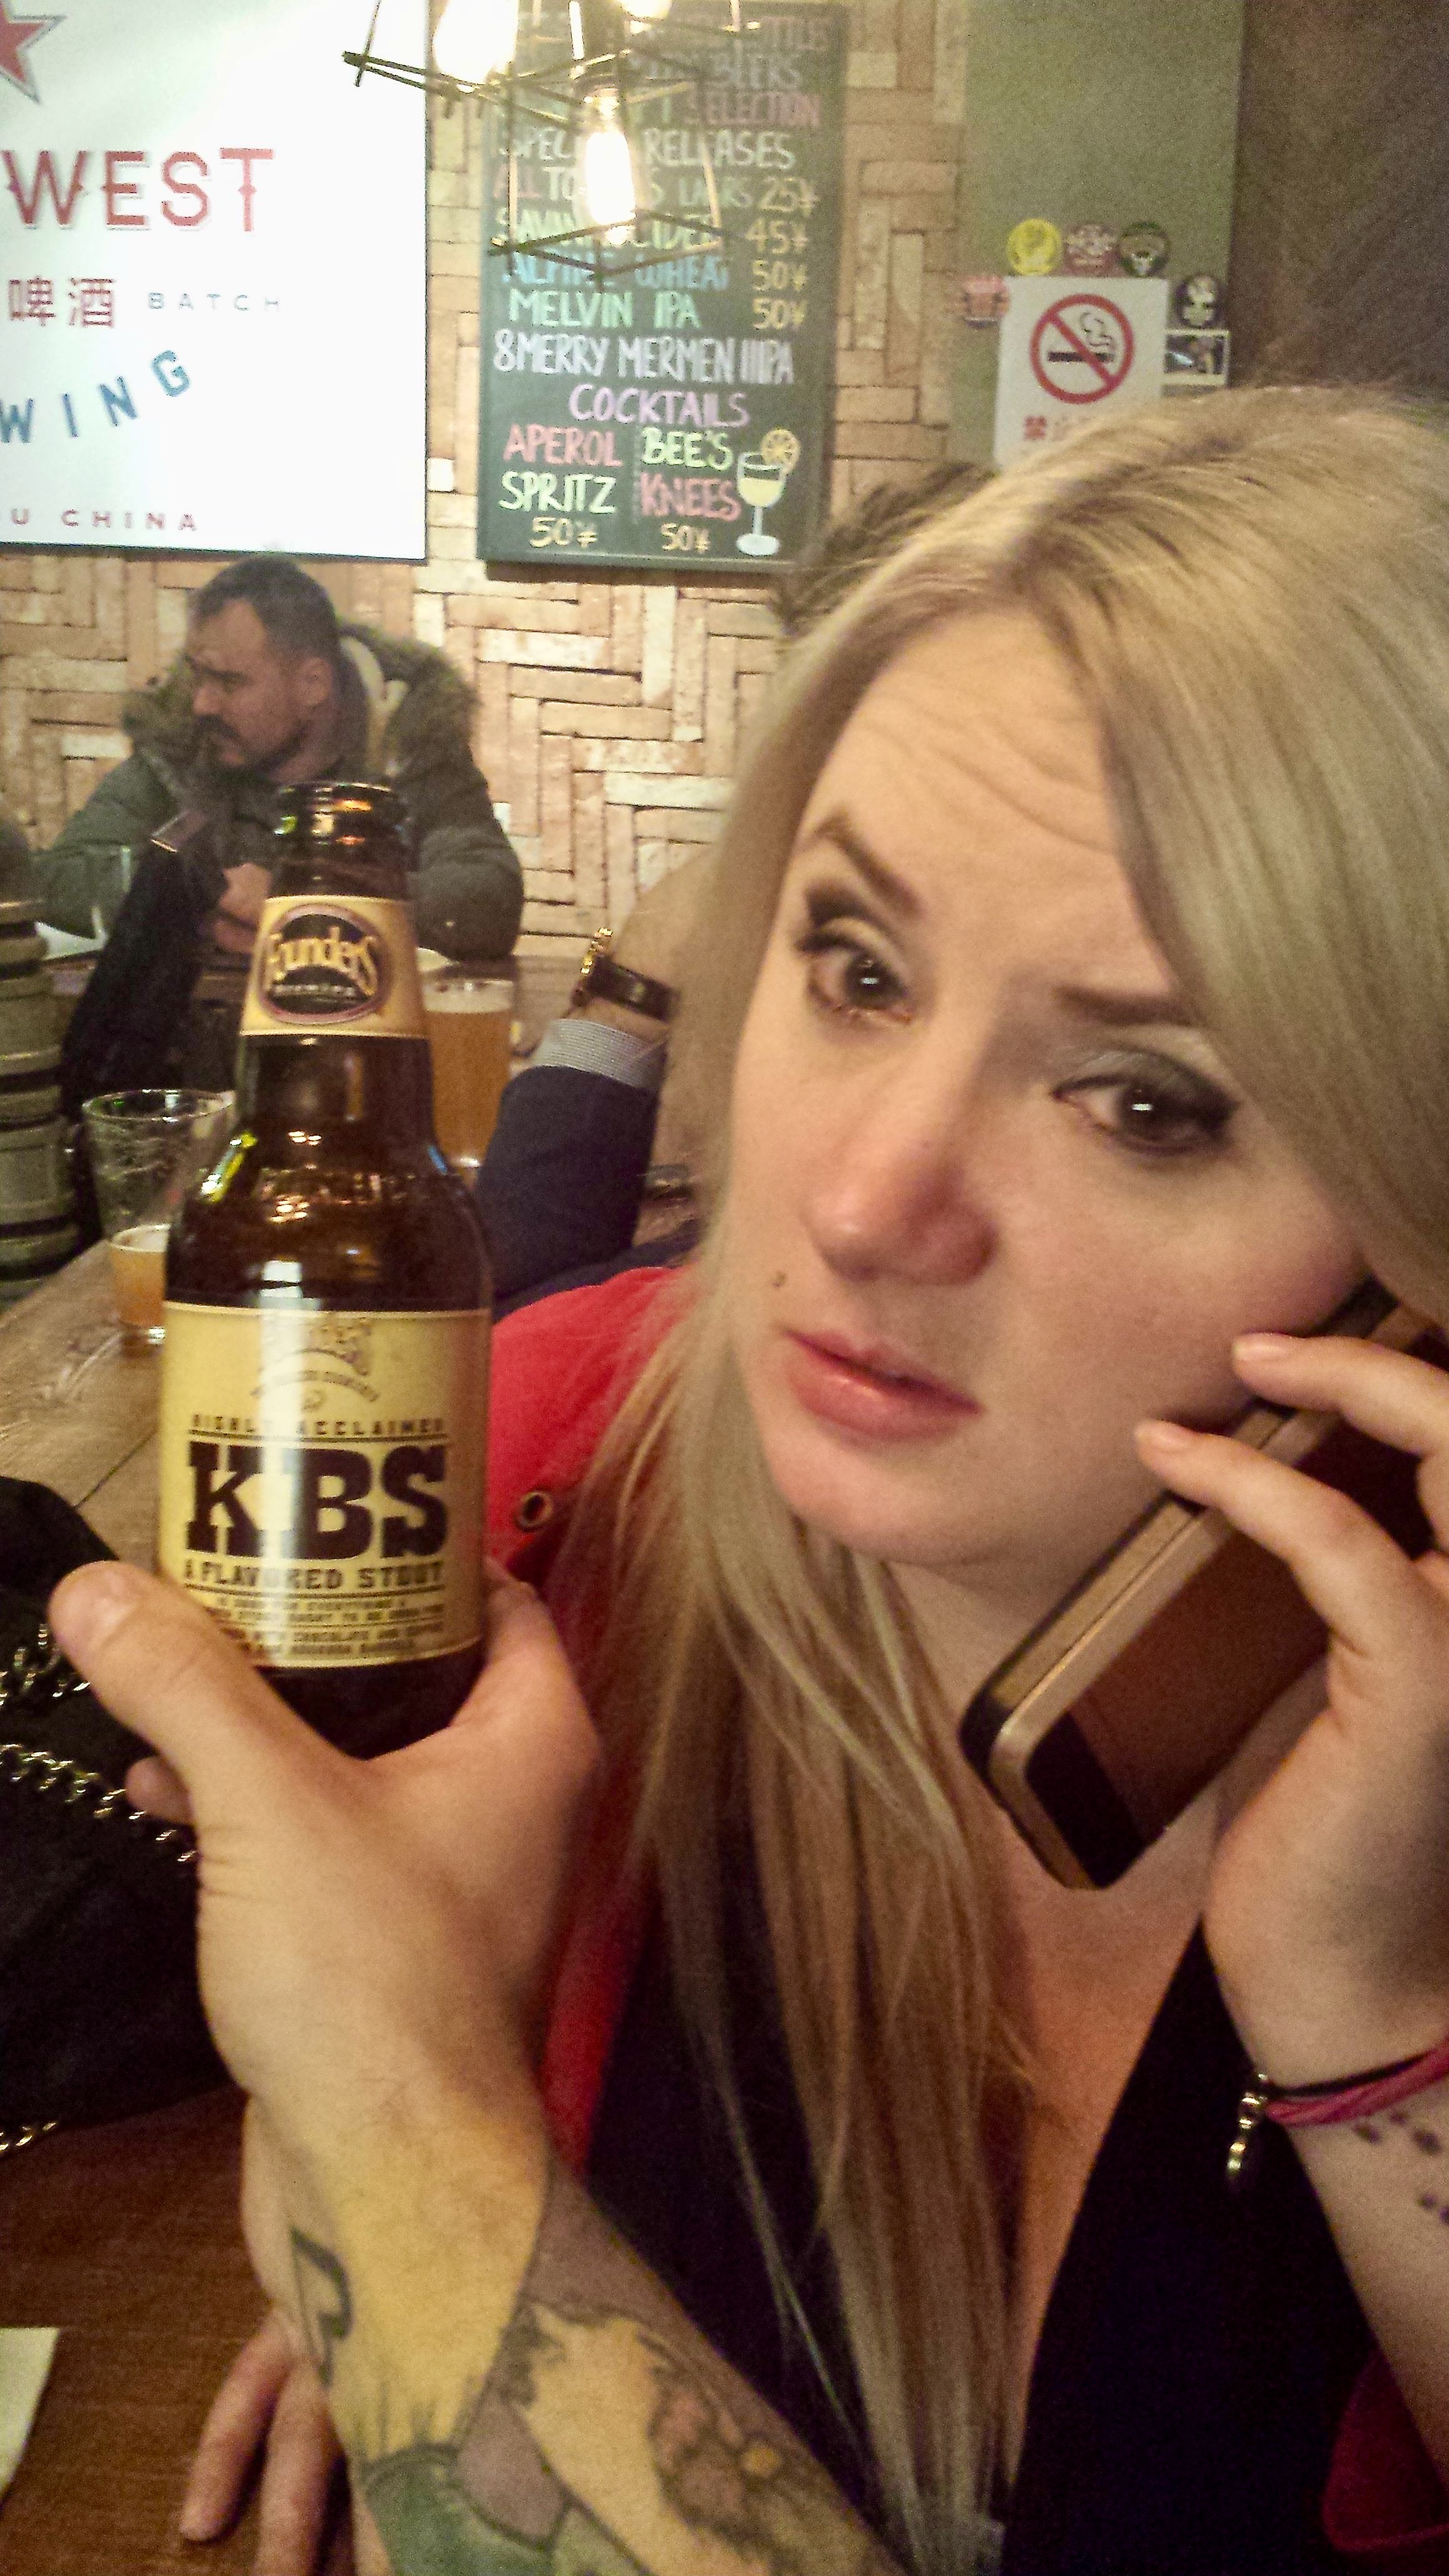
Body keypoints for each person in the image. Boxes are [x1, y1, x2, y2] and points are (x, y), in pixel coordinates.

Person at [47, 388, 1449, 2576]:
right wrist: (452, 2312)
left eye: (1149, 1100)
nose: (867, 1202)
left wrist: (423, 2180)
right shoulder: (534, 1468)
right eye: (856, 967)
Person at [39, 554, 522, 1096]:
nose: (202, 702)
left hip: (366, 1083)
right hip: (191, 1084)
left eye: (229, 681)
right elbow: (58, 881)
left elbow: (487, 898)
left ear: (312, 684)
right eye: (200, 675)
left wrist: (298, 903)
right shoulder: (181, 746)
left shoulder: (410, 747)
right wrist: (193, 894)